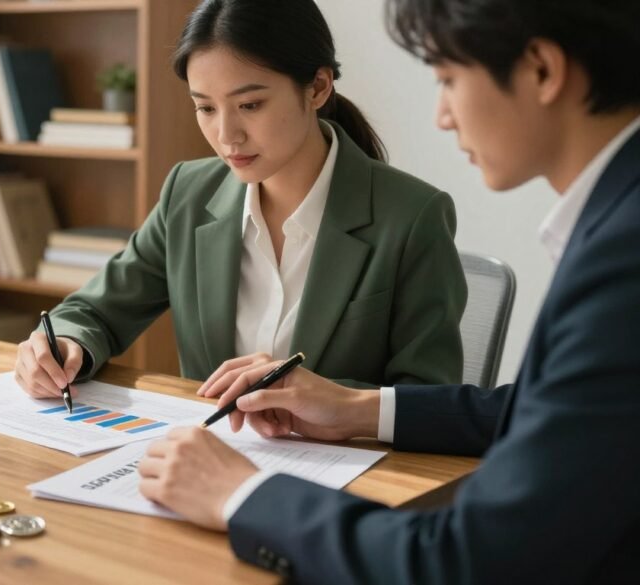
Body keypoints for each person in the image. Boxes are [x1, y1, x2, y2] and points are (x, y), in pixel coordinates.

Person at [137, 0, 640, 582]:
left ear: (542, 70)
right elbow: (542, 411)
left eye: (448, 79)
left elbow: (464, 562)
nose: (442, 116)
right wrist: (356, 408)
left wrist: (243, 494)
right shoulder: (617, 224)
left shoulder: (622, 259)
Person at [14, 0, 467, 401]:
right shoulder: (188, 194)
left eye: (249, 105)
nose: (226, 136)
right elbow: (95, 310)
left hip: (339, 476)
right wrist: (64, 345)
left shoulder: (411, 216)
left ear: (318, 88)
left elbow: (428, 398)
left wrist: (329, 399)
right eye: (206, 108)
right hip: (208, 464)